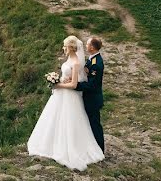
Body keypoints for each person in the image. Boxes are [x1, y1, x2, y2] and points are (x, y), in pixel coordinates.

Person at [27, 35, 104, 170]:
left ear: (71, 47)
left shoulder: (92, 63)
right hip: (63, 94)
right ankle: (54, 143)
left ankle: (98, 149)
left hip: (81, 96)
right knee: (56, 118)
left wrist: (59, 85)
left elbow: (81, 83)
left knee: (86, 123)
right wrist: (57, 81)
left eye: (65, 46)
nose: (63, 48)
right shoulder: (84, 60)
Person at [75, 37, 105, 152]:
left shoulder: (97, 64)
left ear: (92, 47)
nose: (86, 46)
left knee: (95, 125)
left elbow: (92, 85)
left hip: (93, 100)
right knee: (90, 124)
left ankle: (100, 150)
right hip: (90, 98)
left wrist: (76, 85)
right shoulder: (92, 59)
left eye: (87, 44)